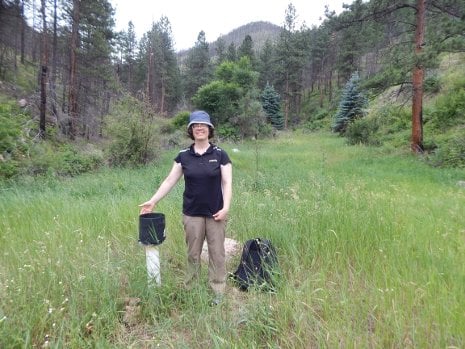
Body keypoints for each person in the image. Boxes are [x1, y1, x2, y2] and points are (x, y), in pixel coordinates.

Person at [139, 110, 232, 305]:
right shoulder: (183, 156)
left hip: (216, 213)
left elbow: (227, 183)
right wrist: (153, 200)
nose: (199, 128)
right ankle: (192, 289)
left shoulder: (220, 154)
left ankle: (218, 292)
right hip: (192, 214)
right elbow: (169, 181)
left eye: (203, 125)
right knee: (193, 254)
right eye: (195, 126)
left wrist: (226, 208)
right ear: (191, 130)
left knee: (217, 253)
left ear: (209, 129)